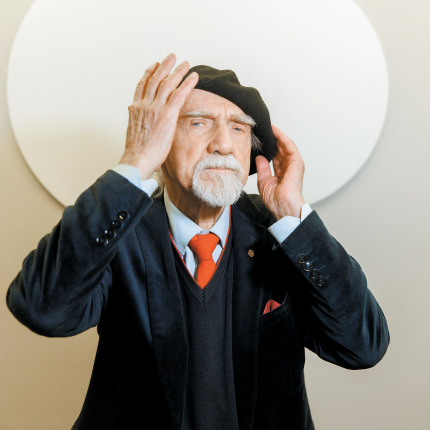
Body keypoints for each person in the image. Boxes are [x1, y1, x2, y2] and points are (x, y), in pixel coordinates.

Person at [6, 53, 390, 430]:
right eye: (198, 123)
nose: (223, 144)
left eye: (238, 129)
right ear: (160, 141)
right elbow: (41, 308)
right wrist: (135, 162)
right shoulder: (117, 227)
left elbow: (362, 345)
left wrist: (294, 214)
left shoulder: (283, 233)